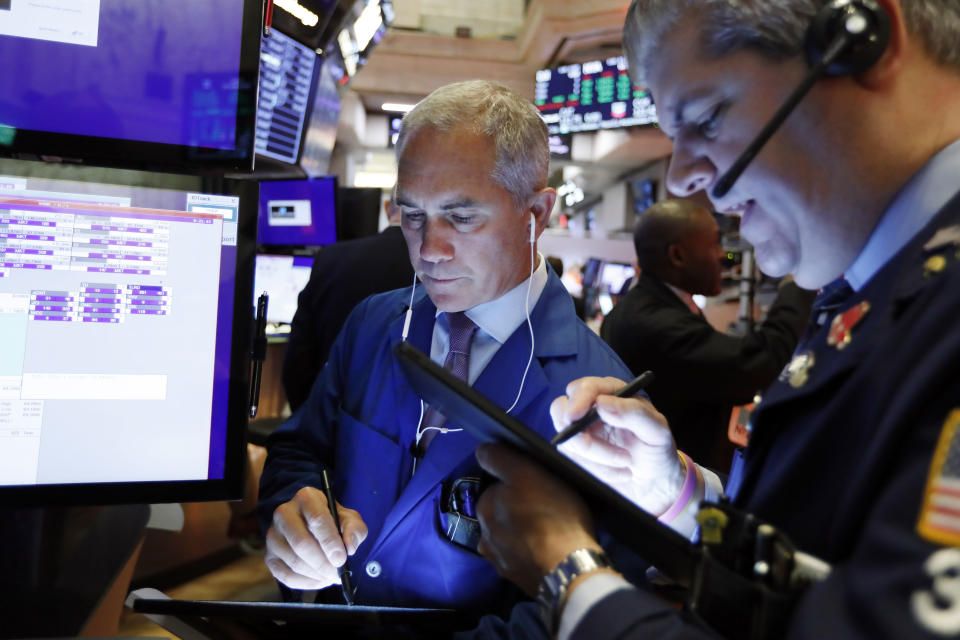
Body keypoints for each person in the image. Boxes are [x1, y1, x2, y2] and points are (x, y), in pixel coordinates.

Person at [474, 0, 960, 638]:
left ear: (865, 42)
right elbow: (831, 560)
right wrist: (677, 497)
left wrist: (569, 575)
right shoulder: (876, 285)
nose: (681, 178)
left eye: (705, 118)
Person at [256, 80, 632, 615]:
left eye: (461, 216)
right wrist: (294, 514)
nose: (429, 250)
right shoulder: (374, 322)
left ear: (537, 215)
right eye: (412, 215)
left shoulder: (596, 394)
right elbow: (300, 451)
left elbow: (578, 610)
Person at [600, 198, 814, 469]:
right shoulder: (654, 323)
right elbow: (761, 363)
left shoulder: (644, 307)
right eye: (715, 243)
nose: (724, 255)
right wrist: (796, 282)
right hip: (680, 483)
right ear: (678, 255)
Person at [281, 193, 415, 411]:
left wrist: (310, 423)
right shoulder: (438, 268)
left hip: (329, 414)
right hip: (399, 430)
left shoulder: (331, 258)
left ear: (387, 206)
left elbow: (298, 361)